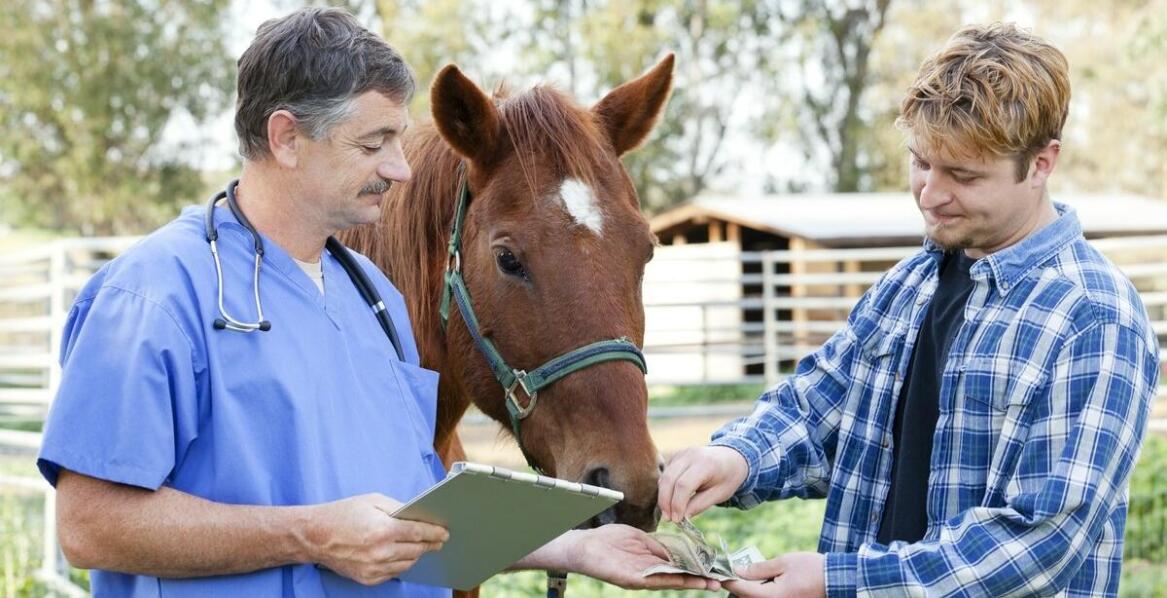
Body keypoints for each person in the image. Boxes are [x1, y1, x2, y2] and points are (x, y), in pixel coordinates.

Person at [36, 8, 716, 597]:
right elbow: (90, 527)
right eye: (374, 143)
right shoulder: (153, 294)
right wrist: (309, 536)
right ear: (286, 139)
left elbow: (412, 521)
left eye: (397, 137)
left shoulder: (377, 301)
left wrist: (569, 549)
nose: (401, 167)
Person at [658, 22, 1160, 597]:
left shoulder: (1093, 318)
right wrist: (735, 457)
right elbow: (820, 408)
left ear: (1042, 164)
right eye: (921, 163)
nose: (930, 193)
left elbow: (1040, 540)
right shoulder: (909, 283)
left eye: (963, 175)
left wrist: (838, 583)